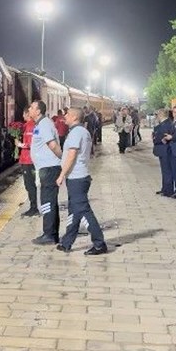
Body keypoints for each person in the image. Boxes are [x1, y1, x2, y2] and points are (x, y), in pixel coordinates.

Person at [56, 108, 108, 255]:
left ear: (73, 117)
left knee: (84, 211)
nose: (64, 116)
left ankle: (99, 243)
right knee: (74, 211)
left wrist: (61, 175)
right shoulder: (82, 132)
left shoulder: (76, 133)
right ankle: (67, 242)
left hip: (77, 178)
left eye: (67, 114)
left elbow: (71, 156)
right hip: (78, 177)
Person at [28, 100, 63, 245]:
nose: (29, 109)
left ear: (38, 111)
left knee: (47, 202)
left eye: (31, 107)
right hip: (46, 168)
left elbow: (53, 145)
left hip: (49, 169)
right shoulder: (41, 124)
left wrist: (64, 160)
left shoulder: (44, 124)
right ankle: (51, 233)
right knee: (50, 201)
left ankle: (49, 235)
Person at [12, 107, 39, 217]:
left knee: (30, 184)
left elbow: (33, 143)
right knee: (29, 185)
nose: (22, 117)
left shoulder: (32, 126)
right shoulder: (28, 126)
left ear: (28, 115)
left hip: (29, 160)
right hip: (26, 159)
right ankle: (33, 206)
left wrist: (20, 145)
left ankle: (34, 208)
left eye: (24, 115)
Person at [152, 108, 173, 196]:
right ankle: (164, 188)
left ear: (161, 115)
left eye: (157, 114)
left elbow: (159, 136)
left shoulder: (166, 124)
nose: (156, 116)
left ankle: (168, 190)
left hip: (165, 150)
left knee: (167, 170)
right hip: (163, 150)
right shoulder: (164, 123)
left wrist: (155, 137)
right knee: (164, 170)